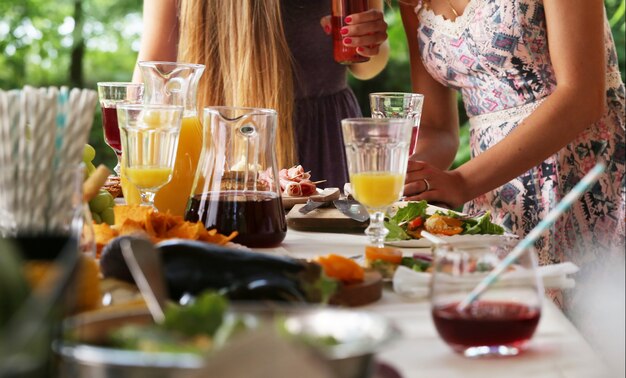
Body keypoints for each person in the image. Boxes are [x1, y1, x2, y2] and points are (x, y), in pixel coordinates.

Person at [399, 0, 625, 311]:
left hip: (589, 180)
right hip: (500, 196)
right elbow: (437, 129)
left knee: (597, 337)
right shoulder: (413, 2)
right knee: (512, 339)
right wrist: (410, 178)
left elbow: (582, 97)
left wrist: (461, 182)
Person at [132, 0, 389, 188]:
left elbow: (367, 66)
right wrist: (137, 164)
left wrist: (366, 44)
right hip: (223, 139)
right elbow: (155, 71)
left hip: (324, 136)